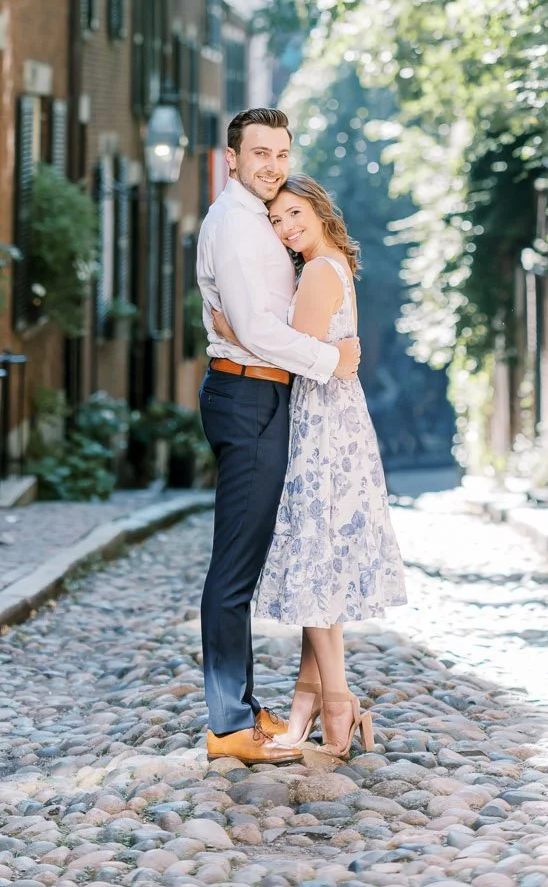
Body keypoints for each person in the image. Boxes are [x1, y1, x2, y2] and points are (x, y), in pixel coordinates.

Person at [210, 173, 406, 758]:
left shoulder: (320, 271)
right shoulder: (329, 263)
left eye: (295, 214)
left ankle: (338, 703)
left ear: (320, 209)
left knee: (317, 568)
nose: (287, 228)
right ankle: (309, 699)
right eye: (276, 221)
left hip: (323, 428)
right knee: (316, 565)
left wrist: (231, 328)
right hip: (329, 422)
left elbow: (296, 354)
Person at [196, 108, 363, 764]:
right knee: (235, 564)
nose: (271, 165)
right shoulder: (237, 227)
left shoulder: (260, 220)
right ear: (231, 157)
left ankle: (243, 701)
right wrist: (330, 361)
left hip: (263, 391)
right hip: (249, 393)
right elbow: (256, 330)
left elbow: (257, 320)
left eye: (281, 153)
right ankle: (228, 723)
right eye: (258, 153)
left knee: (253, 555)